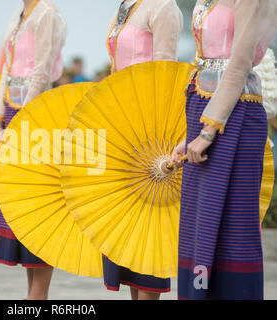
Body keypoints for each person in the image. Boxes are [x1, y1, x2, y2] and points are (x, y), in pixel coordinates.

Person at [172, 0, 277, 300]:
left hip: (238, 112)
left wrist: (208, 129)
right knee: (197, 223)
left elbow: (240, 63)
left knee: (232, 226)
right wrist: (192, 131)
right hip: (203, 106)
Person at [102, 0, 182, 300]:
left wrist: (155, 127)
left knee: (149, 218)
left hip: (148, 125)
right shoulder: (125, 6)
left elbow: (165, 71)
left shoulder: (163, 7)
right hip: (120, 120)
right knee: (127, 217)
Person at [0, 0, 66, 300]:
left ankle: (38, 296)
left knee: (39, 205)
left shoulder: (46, 13)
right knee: (19, 204)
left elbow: (42, 70)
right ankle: (32, 295)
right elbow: (5, 71)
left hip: (35, 117)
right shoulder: (18, 15)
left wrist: (25, 121)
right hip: (12, 112)